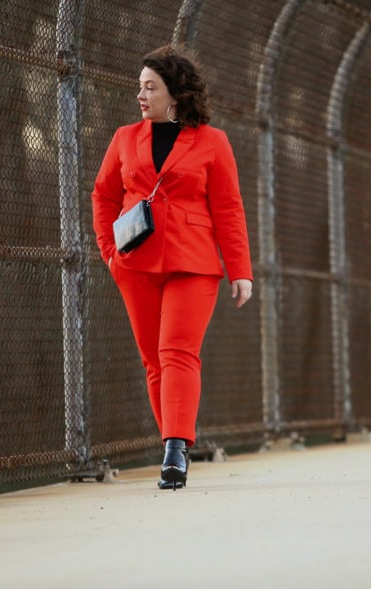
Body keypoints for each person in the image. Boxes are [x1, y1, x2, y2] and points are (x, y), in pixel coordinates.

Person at [91, 45, 253, 490]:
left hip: (193, 261)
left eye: (150, 87)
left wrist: (240, 270)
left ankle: (176, 450)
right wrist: (109, 250)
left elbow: (229, 208)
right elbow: (103, 196)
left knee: (178, 352)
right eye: (139, 87)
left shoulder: (212, 141)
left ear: (175, 94)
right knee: (153, 360)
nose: (141, 95)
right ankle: (172, 441)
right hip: (135, 263)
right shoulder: (125, 137)